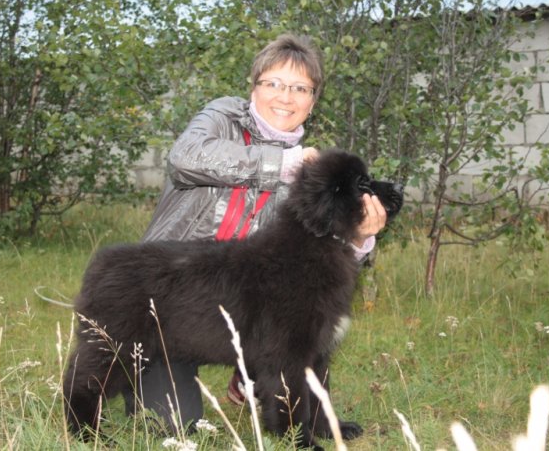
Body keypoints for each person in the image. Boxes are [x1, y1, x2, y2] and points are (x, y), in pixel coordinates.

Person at [137, 33, 387, 430]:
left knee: (298, 339)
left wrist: (360, 237)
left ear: (313, 101)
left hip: (245, 309)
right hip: (173, 297)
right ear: (253, 87)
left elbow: (314, 266)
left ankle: (271, 387)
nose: (285, 97)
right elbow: (185, 158)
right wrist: (279, 163)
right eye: (273, 83)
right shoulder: (221, 117)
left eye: (300, 88)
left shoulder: (314, 171)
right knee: (172, 424)